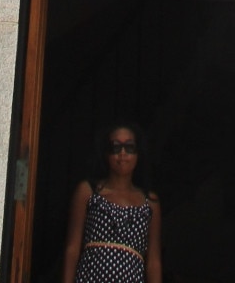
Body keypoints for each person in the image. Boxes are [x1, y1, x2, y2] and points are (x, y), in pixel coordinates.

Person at [61, 121, 162, 283]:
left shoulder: (150, 202)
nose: (122, 153)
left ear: (138, 153)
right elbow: (72, 248)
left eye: (129, 147)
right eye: (115, 147)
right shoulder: (88, 192)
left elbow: (153, 263)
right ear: (106, 153)